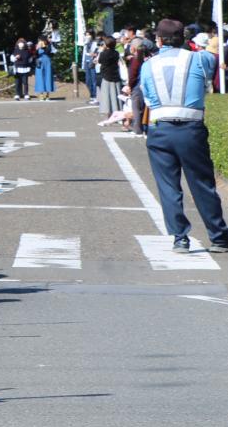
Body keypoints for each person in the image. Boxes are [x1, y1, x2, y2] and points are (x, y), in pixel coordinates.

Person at [137, 18, 228, 254]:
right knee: (202, 183)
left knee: (168, 185)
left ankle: (180, 237)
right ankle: (218, 236)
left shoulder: (149, 65)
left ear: (158, 39)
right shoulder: (199, 58)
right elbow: (213, 60)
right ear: (184, 38)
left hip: (160, 128)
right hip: (191, 128)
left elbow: (147, 95)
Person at [96, 36, 123, 124]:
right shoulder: (116, 53)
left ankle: (109, 116)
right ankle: (117, 115)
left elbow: (99, 61)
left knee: (107, 97)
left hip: (107, 76)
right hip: (115, 75)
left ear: (106, 44)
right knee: (115, 96)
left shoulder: (104, 53)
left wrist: (101, 51)